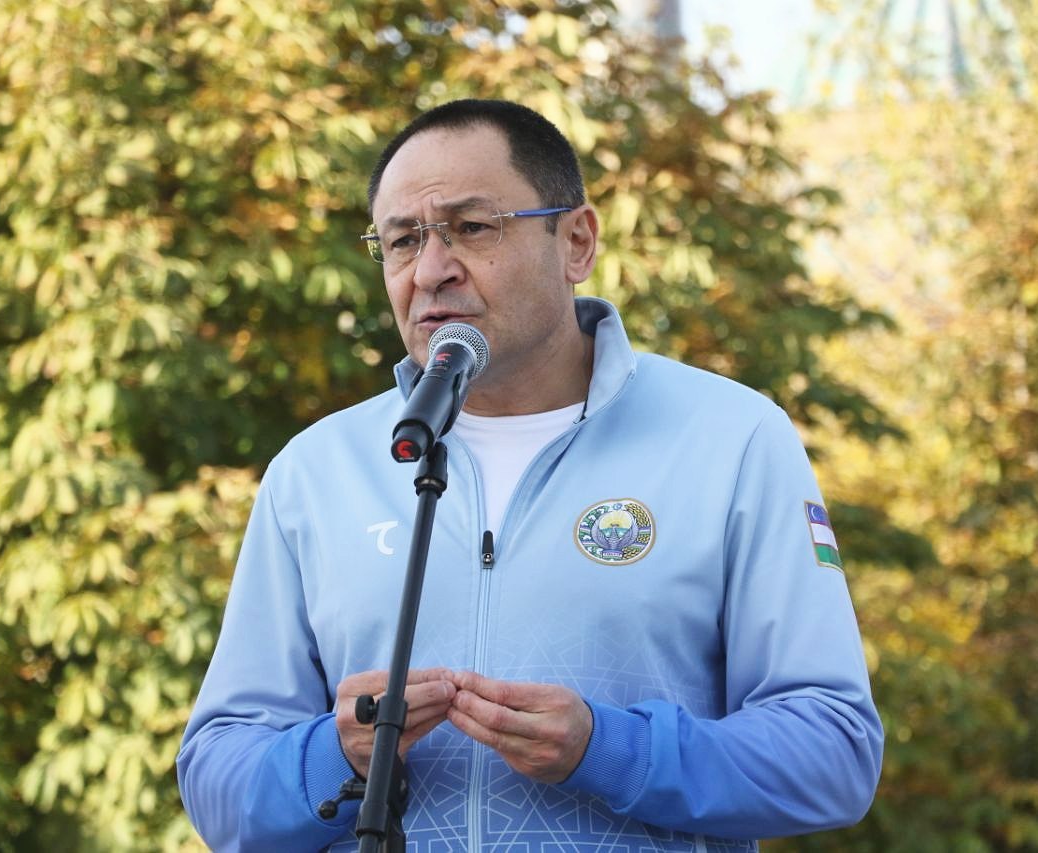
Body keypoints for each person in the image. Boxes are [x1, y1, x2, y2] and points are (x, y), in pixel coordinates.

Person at [177, 99, 883, 852]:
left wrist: (610, 750)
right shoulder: (317, 470)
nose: (432, 270)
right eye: (403, 240)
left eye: (473, 228)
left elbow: (833, 753)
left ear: (576, 242)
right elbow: (220, 785)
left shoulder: (732, 437)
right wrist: (335, 753)